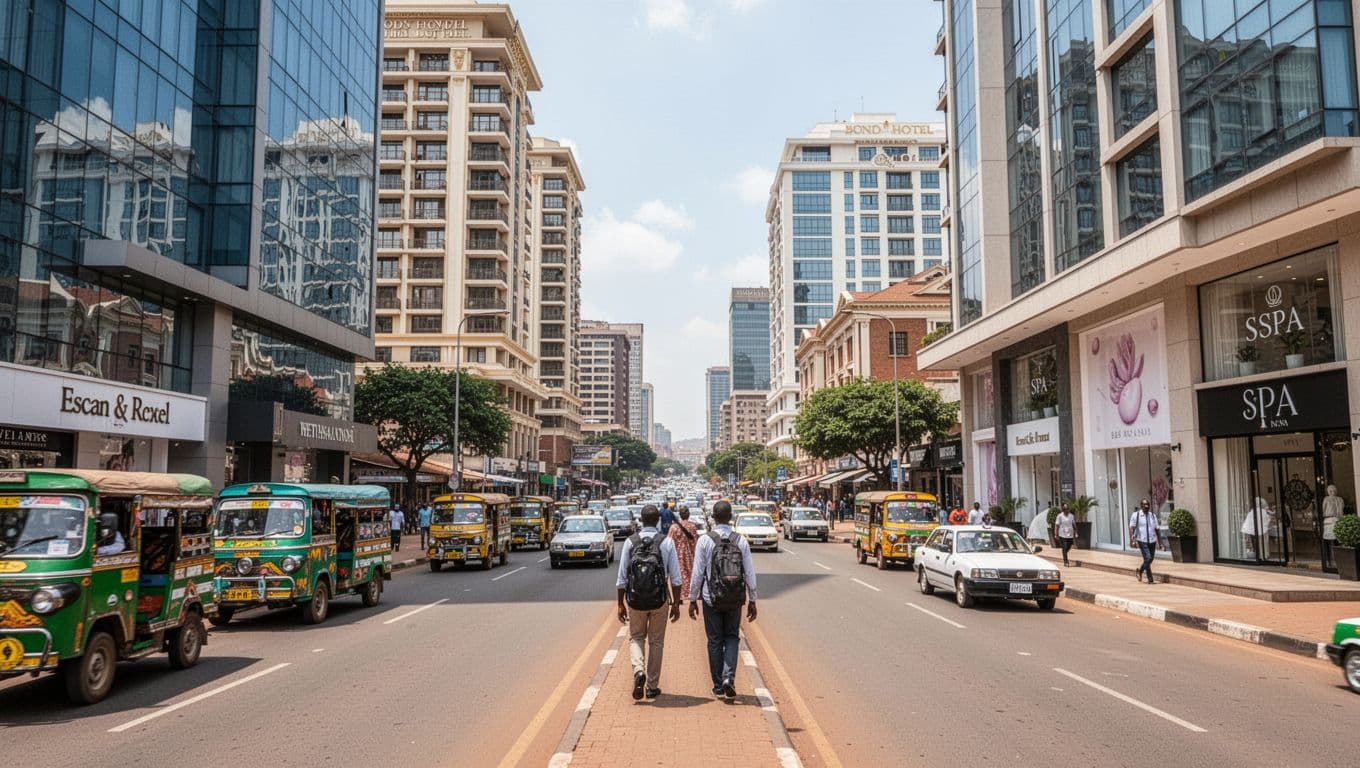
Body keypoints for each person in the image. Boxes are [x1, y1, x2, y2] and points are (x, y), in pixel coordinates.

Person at [687, 500, 757, 701]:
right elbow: (750, 573)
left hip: (711, 599)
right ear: (730, 518)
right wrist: (752, 599)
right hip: (734, 599)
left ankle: (718, 686)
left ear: (713, 518)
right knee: (732, 637)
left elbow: (697, 573)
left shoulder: (705, 541)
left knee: (715, 640)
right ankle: (729, 677)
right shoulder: (740, 540)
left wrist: (692, 599)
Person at [617, 505, 683, 701]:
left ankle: (639, 670)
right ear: (658, 521)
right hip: (659, 599)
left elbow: (622, 578)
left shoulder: (630, 542)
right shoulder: (666, 542)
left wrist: (620, 604)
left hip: (635, 599)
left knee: (636, 637)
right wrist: (676, 604)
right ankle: (652, 686)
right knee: (656, 642)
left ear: (641, 520)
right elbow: (676, 578)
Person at [668, 505, 699, 590]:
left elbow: (668, 544)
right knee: (689, 577)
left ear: (680, 515)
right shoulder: (692, 527)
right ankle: (690, 595)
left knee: (677, 578)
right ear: (688, 515)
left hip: (676, 558)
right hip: (690, 557)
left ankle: (679, 596)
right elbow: (695, 543)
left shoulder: (674, 527)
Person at [1129, 498, 1158, 583]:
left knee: (1150, 559)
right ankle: (1147, 575)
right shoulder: (1136, 515)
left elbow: (1157, 528)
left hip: (1152, 540)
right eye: (1145, 505)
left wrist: (1160, 543)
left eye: (1148, 504)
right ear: (1141, 506)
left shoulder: (1153, 516)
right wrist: (1132, 540)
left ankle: (1142, 573)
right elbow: (1132, 527)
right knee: (1148, 557)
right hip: (1142, 540)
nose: (1147, 506)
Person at [1322, 485, 1344, 568]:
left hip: (1338, 520)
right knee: (1329, 540)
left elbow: (1342, 509)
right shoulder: (1326, 499)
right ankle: (1330, 561)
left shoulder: (1339, 499)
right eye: (1330, 491)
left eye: (1334, 490)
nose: (1332, 492)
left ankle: (1339, 560)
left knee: (1338, 540)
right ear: (1328, 492)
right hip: (1329, 520)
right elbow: (1323, 510)